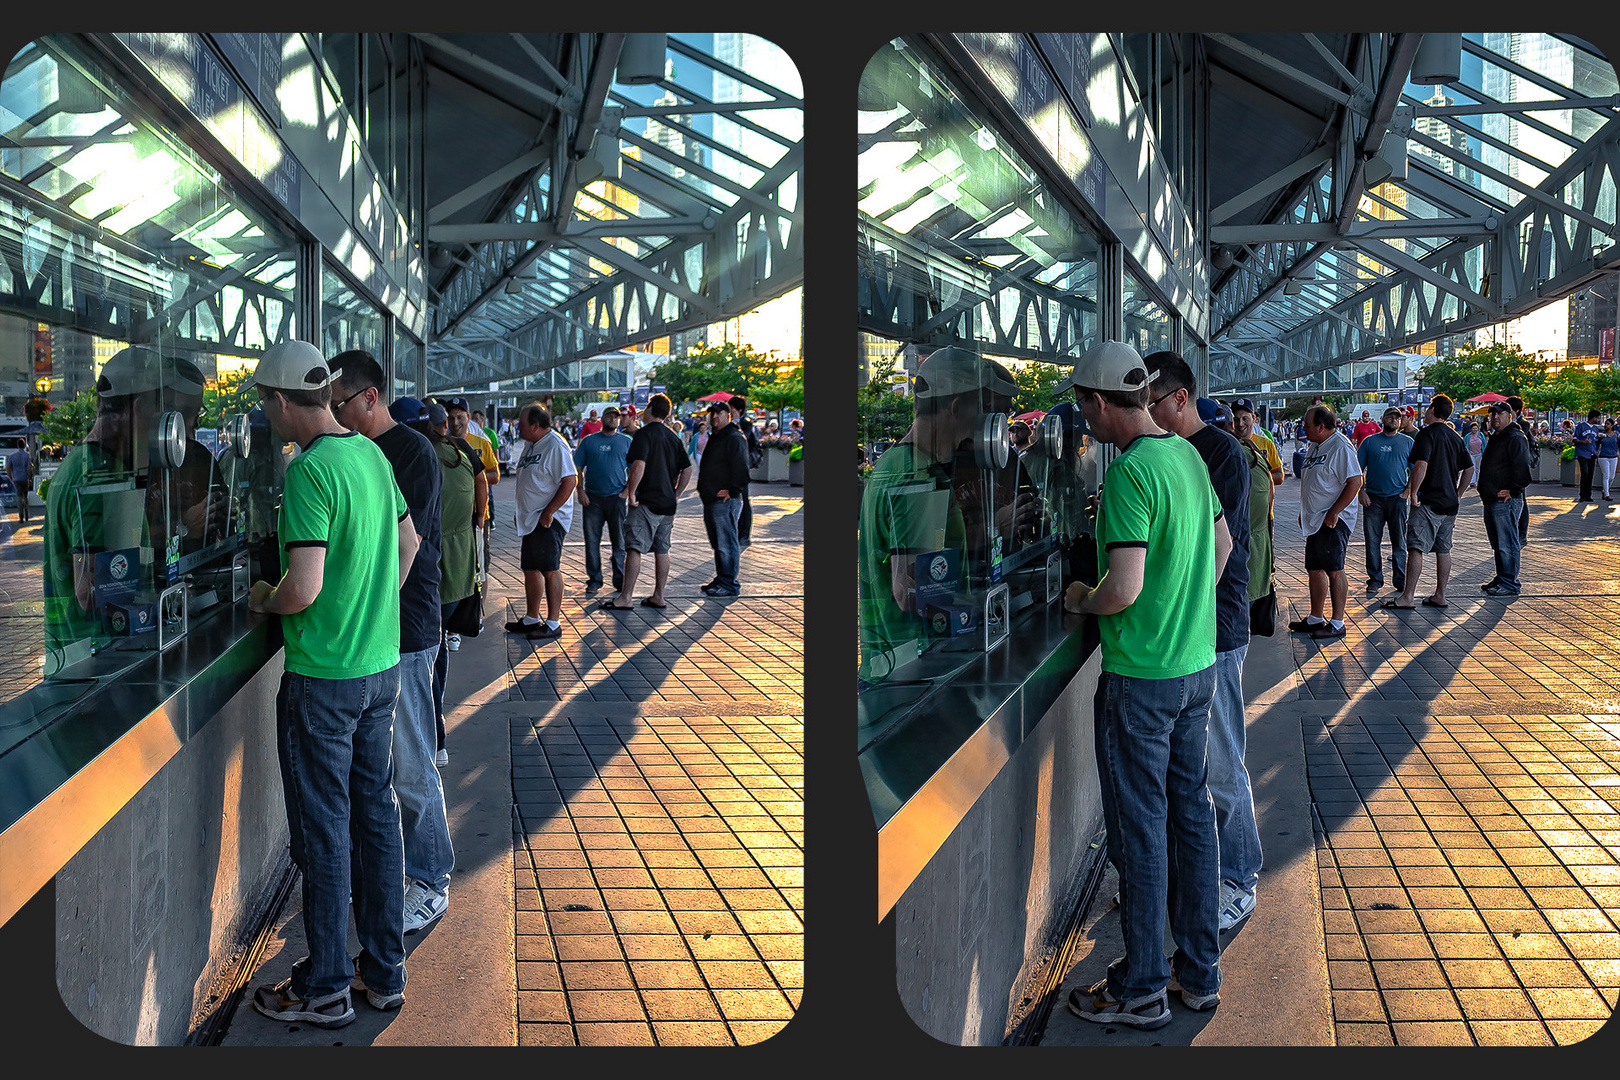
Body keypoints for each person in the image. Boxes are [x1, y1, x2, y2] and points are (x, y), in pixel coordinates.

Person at [244, 339, 417, 1027]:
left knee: (323, 832)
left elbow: (304, 588)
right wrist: (373, 609)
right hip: (378, 671)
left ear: (284, 402)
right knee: (376, 821)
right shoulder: (372, 452)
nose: (268, 418)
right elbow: (407, 546)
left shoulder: (309, 471)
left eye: (266, 405)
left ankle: (324, 990)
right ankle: (385, 972)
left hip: (324, 681)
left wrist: (264, 597)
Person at [1059, 341, 1230, 1028]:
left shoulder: (1131, 474)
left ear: (1101, 403)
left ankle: (1142, 989)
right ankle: (1199, 974)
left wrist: (1080, 598)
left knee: (1139, 830)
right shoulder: (1188, 453)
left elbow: (1122, 589)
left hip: (1142, 680)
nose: (1085, 423)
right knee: (1191, 819)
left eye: (1083, 409)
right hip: (1195, 669)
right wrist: (1184, 605)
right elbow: (1219, 548)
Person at [330, 354, 456, 935]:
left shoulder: (411, 453)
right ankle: (402, 873)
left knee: (411, 762)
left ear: (371, 397)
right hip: (375, 634)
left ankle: (430, 881)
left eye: (341, 403)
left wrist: (368, 611)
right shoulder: (357, 450)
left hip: (404, 631)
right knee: (382, 768)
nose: (334, 414)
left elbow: (403, 549)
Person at [1146, 358, 1262, 932]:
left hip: (1214, 629)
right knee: (1186, 768)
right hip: (1187, 633)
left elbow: (1216, 550)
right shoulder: (1171, 451)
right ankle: (1186, 875)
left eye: (1153, 402)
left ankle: (1239, 878)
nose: (1147, 413)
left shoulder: (1221, 454)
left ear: (1182, 398)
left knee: (1222, 761)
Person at [419, 400, 485, 765]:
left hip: (432, 566)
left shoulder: (417, 457)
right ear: (445, 426)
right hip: (460, 561)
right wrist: (478, 518)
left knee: (428, 651)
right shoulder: (462, 453)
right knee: (438, 645)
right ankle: (438, 736)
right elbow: (481, 482)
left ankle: (434, 737)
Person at [1383, 394, 1472, 611]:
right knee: (1444, 549)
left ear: (1433, 410)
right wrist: (1459, 493)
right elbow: (1469, 468)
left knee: (1415, 547)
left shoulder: (1426, 435)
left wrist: (1413, 493)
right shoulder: (1455, 437)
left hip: (1429, 502)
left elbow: (1420, 465)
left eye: (1429, 408)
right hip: (1450, 504)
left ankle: (1408, 596)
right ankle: (1440, 595)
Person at [603, 393, 691, 610]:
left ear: (651, 410)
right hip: (668, 503)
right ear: (668, 413)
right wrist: (677, 493)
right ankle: (658, 595)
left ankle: (625, 597)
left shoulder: (644, 435)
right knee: (663, 549)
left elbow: (638, 464)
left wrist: (631, 492)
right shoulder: (673, 437)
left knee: (634, 548)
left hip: (647, 501)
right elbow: (687, 468)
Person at [1288, 405, 1363, 638]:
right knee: (1314, 568)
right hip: (1315, 519)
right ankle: (1315, 617)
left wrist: (1335, 511)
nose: (1303, 429)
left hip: (1333, 520)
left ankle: (1338, 622)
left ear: (1321, 426)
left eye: (1307, 425)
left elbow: (1355, 481)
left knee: (1334, 569)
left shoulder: (1340, 447)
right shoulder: (1314, 445)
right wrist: (1306, 511)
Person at [507, 404, 576, 640]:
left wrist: (550, 511)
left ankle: (554, 623)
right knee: (530, 568)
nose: (518, 427)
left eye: (522, 423)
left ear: (536, 425)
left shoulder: (555, 446)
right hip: (531, 519)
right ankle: (531, 618)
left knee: (549, 568)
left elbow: (570, 481)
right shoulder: (531, 444)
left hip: (548, 519)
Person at [573, 405, 632, 594]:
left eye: (616, 417)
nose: (613, 420)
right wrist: (580, 490)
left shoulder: (626, 441)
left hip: (616, 498)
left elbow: (636, 467)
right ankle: (595, 579)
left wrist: (628, 490)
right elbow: (578, 468)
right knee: (591, 540)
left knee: (619, 542)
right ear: (602, 418)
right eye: (610, 416)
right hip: (592, 499)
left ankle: (619, 579)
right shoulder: (589, 442)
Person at [697, 400, 753, 598]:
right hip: (712, 498)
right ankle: (722, 578)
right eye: (711, 413)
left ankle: (729, 583)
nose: (713, 417)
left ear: (727, 415)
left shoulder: (734, 436)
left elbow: (742, 468)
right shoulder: (717, 436)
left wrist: (732, 490)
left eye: (718, 414)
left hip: (725, 501)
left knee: (726, 543)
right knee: (718, 543)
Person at [1356, 407, 1414, 596]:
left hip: (1397, 499)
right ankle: (1375, 579)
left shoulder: (1407, 442)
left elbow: (1416, 469)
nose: (1393, 420)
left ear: (1401, 421)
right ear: (1382, 419)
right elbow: (1357, 470)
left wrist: (1408, 490)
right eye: (1390, 416)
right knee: (1372, 541)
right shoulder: (1369, 442)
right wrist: (1361, 491)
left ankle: (1400, 580)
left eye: (1397, 417)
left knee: (1400, 542)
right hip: (1373, 499)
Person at [1477, 401, 1534, 597]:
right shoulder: (1497, 437)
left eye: (1499, 415)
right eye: (1493, 415)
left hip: (1505, 501)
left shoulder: (1515, 437)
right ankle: (1503, 577)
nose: (1495, 418)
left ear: (1509, 416)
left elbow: (1523, 470)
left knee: (1507, 543)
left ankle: (1509, 583)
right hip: (1491, 499)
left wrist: (1513, 490)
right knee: (1498, 543)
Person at [445, 397, 498, 576]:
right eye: (451, 418)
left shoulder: (482, 443)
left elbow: (495, 475)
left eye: (460, 417)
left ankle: (480, 603)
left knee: (480, 565)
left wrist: (471, 479)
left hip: (478, 514)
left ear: (468, 417)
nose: (455, 422)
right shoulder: (441, 443)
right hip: (450, 514)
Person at [728, 395, 761, 546]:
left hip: (743, 464)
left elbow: (743, 439)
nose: (729, 412)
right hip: (733, 464)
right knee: (735, 498)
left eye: (732, 409)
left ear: (739, 410)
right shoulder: (731, 423)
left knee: (743, 499)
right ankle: (735, 532)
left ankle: (744, 534)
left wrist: (734, 423)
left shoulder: (745, 423)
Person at [1507, 395, 1533, 545]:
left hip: (1519, 467)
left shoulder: (1523, 425)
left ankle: (1522, 534)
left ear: (1517, 410)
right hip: (1509, 468)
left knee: (1521, 499)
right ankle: (1515, 532)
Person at [1573, 408, 1601, 503]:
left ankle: (1588, 495)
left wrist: (1600, 439)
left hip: (1592, 453)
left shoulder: (1595, 428)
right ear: (1593, 418)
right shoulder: (1581, 426)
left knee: (1590, 474)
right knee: (1584, 473)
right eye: (1597, 418)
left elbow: (1596, 440)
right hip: (1582, 453)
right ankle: (1582, 495)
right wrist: (1583, 442)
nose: (1598, 420)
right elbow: (1575, 439)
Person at [8, 439, 32, 523]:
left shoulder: (12, 456)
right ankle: (26, 515)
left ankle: (20, 516)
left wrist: (10, 477)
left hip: (16, 479)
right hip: (24, 478)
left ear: (17, 445)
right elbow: (29, 468)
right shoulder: (26, 456)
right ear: (24, 445)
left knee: (18, 497)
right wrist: (29, 478)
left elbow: (8, 468)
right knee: (25, 496)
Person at [1598, 420, 1618, 501]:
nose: (1606, 425)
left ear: (1612, 425)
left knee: (1612, 477)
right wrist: (1600, 439)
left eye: (1608, 424)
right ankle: (1607, 494)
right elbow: (1597, 443)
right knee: (1606, 475)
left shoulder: (1616, 434)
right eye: (1605, 424)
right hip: (1603, 456)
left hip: (1614, 456)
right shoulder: (1601, 434)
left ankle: (1604, 490)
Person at [1465, 421, 1486, 490]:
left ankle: (1477, 481)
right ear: (1471, 429)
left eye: (1476, 428)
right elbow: (1465, 445)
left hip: (1479, 453)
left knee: (1478, 468)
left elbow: (1484, 443)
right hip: (1471, 454)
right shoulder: (1468, 436)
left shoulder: (1480, 435)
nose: (1475, 430)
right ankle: (1472, 482)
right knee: (1473, 468)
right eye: (1473, 428)